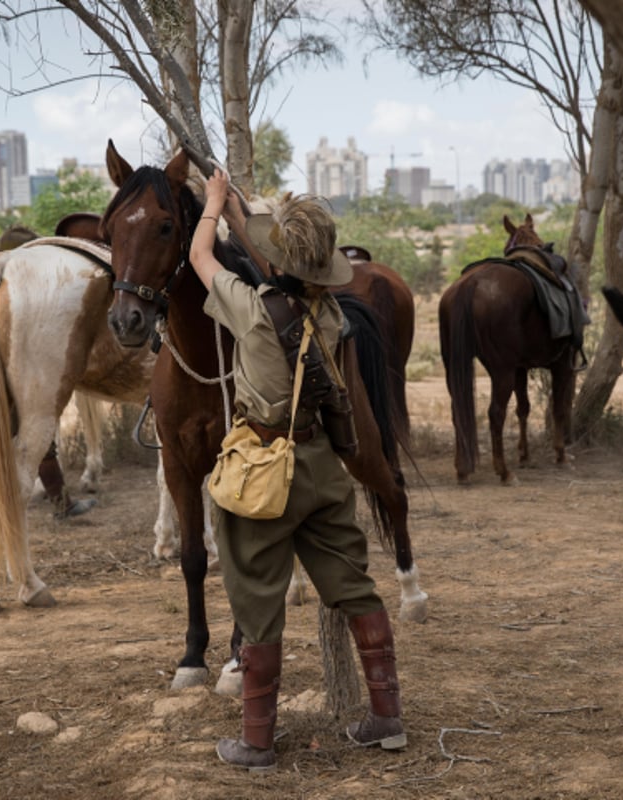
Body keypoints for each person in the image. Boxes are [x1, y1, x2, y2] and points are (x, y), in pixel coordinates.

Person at [188, 168, 406, 772]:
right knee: (354, 587)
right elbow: (289, 276)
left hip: (263, 473)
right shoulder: (333, 316)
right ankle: (387, 718)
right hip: (321, 470)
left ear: (278, 265)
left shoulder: (252, 310)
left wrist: (211, 206)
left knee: (257, 604)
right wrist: (240, 215)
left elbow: (200, 255)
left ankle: (257, 742)